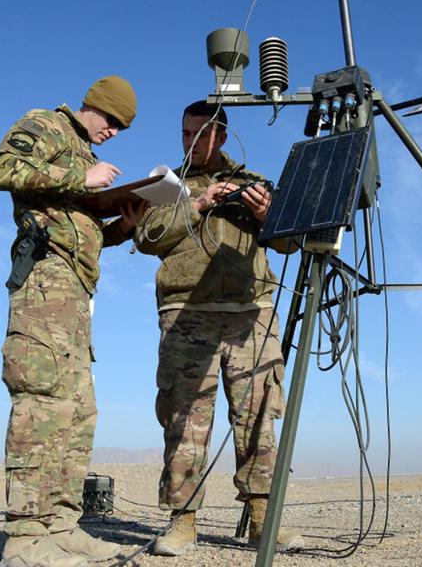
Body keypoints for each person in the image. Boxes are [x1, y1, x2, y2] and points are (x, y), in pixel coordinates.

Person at [133, 100, 303, 555]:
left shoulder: (254, 182)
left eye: (200, 135)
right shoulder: (166, 186)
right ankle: (182, 521)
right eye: (185, 133)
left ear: (221, 136)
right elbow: (146, 238)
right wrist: (199, 203)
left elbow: (290, 242)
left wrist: (270, 217)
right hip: (187, 312)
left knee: (258, 417)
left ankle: (263, 522)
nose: (190, 142)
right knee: (185, 418)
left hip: (251, 312)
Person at [0, 75, 146, 567]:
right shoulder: (46, 125)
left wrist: (123, 225)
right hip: (44, 286)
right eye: (115, 122)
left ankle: (61, 525)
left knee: (77, 414)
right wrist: (83, 179)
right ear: (96, 108)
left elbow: (82, 232)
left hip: (77, 295)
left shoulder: (81, 154)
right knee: (40, 408)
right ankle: (24, 540)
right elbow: (3, 168)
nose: (115, 134)